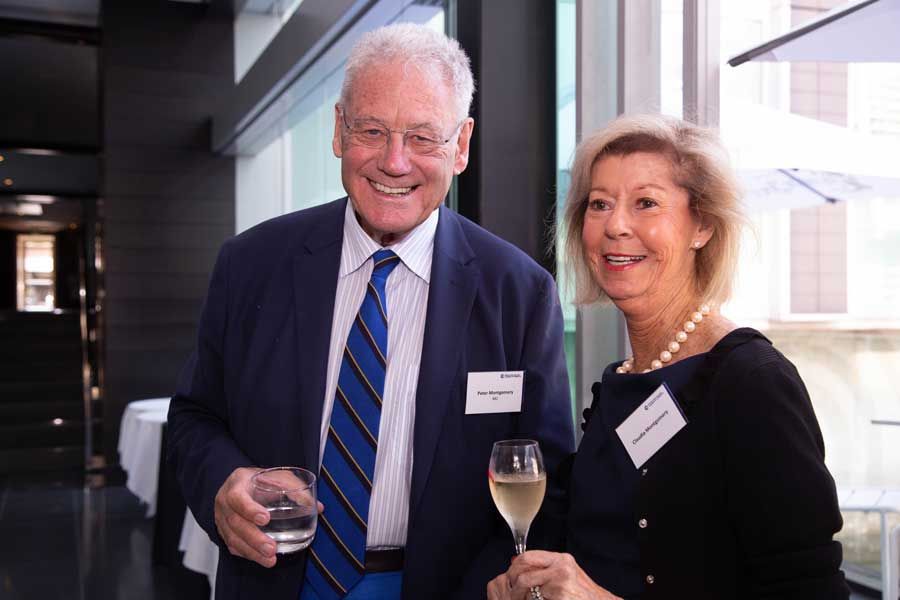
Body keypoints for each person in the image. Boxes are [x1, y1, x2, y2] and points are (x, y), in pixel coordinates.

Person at [167, 22, 574, 600]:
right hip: (274, 580)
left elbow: (544, 477)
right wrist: (221, 483)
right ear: (339, 130)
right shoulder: (249, 265)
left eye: (424, 138)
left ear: (461, 146)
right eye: (372, 130)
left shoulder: (520, 293)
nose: (394, 162)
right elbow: (194, 417)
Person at [487, 114, 849, 600]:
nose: (616, 226)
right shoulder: (622, 381)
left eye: (646, 203)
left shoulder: (753, 383)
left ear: (702, 226)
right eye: (599, 204)